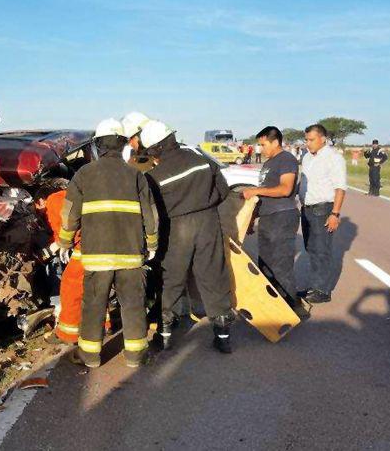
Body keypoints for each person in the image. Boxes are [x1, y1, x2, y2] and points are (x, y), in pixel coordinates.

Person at [58, 118, 159, 368]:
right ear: (122, 143)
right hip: (131, 254)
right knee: (133, 304)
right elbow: (151, 213)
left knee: (93, 305)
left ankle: (90, 356)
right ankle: (135, 355)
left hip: (97, 255)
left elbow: (70, 213)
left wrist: (64, 241)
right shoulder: (136, 174)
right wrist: (152, 242)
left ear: (99, 145)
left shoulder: (84, 173)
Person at [140, 120, 236, 354]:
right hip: (208, 222)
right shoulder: (201, 160)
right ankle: (223, 337)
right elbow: (223, 190)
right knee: (213, 275)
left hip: (176, 229)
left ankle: (164, 338)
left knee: (171, 279)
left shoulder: (153, 177)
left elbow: (152, 212)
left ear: (154, 150)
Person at [241, 126, 303, 311]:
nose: (261, 149)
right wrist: (252, 219)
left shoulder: (286, 159)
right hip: (268, 217)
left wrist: (255, 190)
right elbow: (264, 195)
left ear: (275, 142)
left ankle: (291, 306)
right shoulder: (268, 163)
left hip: (282, 217)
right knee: (266, 264)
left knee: (280, 264)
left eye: (263, 144)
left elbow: (285, 189)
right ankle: (272, 305)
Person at [32, 179, 87, 345]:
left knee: (70, 285)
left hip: (87, 244)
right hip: (95, 239)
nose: (39, 213)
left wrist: (50, 250)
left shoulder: (54, 200)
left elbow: (67, 227)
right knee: (95, 285)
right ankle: (105, 325)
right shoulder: (67, 196)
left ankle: (67, 335)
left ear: (40, 201)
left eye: (36, 207)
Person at [298, 124, 347, 304]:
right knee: (311, 248)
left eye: (311, 140)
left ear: (323, 139)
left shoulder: (334, 158)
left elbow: (340, 187)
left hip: (323, 209)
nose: (307, 143)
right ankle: (314, 285)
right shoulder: (307, 158)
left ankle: (322, 290)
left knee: (321, 250)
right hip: (307, 208)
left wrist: (335, 214)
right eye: (306, 140)